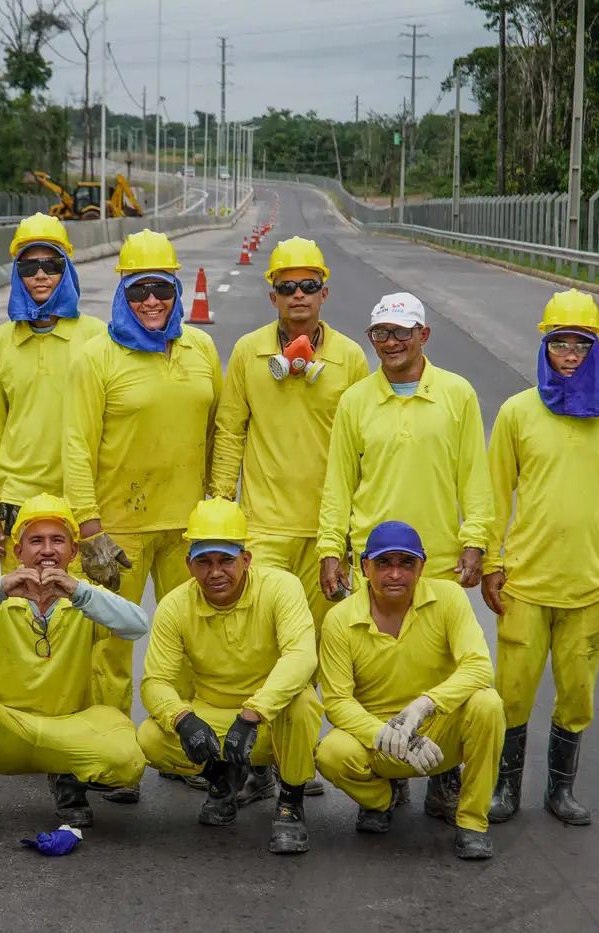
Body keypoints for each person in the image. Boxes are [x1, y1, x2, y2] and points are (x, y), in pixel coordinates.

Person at [63, 230, 223, 802]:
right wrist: (90, 529)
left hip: (189, 529)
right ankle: (110, 754)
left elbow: (218, 433)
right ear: (122, 292)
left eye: (162, 289)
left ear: (177, 289)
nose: (152, 302)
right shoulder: (96, 359)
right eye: (139, 291)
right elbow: (76, 448)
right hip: (118, 531)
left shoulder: (200, 350)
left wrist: (219, 507)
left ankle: (181, 753)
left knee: (190, 642)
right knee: (109, 645)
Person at [209, 235, 369, 805]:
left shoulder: (349, 357)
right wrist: (221, 507)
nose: (298, 295)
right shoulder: (248, 352)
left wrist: (351, 533)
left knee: (319, 648)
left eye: (308, 286)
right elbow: (230, 431)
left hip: (325, 533)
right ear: (271, 293)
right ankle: (257, 764)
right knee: (263, 647)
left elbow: (360, 447)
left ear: (325, 291)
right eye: (286, 287)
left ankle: (293, 752)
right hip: (263, 530)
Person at [316, 291, 492, 799]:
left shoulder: (457, 395)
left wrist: (474, 540)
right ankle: (385, 772)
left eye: (401, 333)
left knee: (440, 668)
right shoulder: (356, 401)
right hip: (373, 560)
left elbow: (473, 479)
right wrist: (332, 550)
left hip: (435, 561)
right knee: (380, 671)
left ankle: (441, 773)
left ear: (423, 335)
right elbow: (339, 485)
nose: (390, 343)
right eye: (381, 334)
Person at [483, 289, 599, 827]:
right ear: (545, 346)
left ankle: (560, 791)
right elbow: (495, 493)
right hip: (526, 583)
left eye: (581, 343)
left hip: (589, 585)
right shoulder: (517, 412)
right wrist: (490, 562)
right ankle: (505, 789)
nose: (570, 354)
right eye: (560, 344)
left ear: (596, 347)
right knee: (512, 694)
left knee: (577, 694)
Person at [0, 494, 149, 843]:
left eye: (58, 540)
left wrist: (79, 592)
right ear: (19, 552)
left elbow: (137, 625)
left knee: (128, 759)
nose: (47, 550)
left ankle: (69, 786)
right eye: (36, 541)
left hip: (65, 730)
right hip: (6, 736)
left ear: (73, 552)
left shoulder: (84, 600)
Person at [136, 498, 322, 855]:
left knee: (301, 704)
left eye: (226, 560)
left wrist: (255, 712)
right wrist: (183, 718)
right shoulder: (175, 606)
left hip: (270, 719)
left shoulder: (281, 588)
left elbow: (301, 657)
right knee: (150, 738)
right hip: (216, 716)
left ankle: (290, 802)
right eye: (204, 562)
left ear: (246, 559)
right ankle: (222, 779)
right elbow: (155, 681)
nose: (215, 572)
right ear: (189, 565)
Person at [316, 521, 503, 859]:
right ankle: (381, 800)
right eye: (384, 563)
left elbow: (479, 666)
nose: (395, 574)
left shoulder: (448, 598)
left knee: (488, 704)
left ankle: (472, 822)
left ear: (422, 567)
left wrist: (423, 706)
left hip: (436, 733)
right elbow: (337, 701)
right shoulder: (340, 620)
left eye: (406, 563)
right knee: (331, 754)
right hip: (377, 739)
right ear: (364, 566)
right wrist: (386, 733)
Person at [0, 213, 106, 572]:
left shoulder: (96, 336)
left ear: (66, 269)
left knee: (74, 616)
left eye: (51, 264)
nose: (40, 275)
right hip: (17, 499)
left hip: (77, 499)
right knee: (21, 613)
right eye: (29, 266)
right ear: (17, 273)